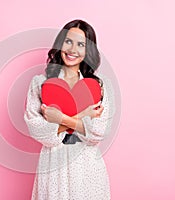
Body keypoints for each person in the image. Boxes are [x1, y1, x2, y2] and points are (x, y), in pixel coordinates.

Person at [24, 19, 115, 200]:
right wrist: (83, 117)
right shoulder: (40, 84)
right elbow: (39, 132)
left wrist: (59, 118)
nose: (73, 50)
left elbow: (98, 132)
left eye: (81, 44)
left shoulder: (100, 86)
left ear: (88, 50)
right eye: (68, 41)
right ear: (60, 44)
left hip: (88, 169)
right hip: (52, 167)